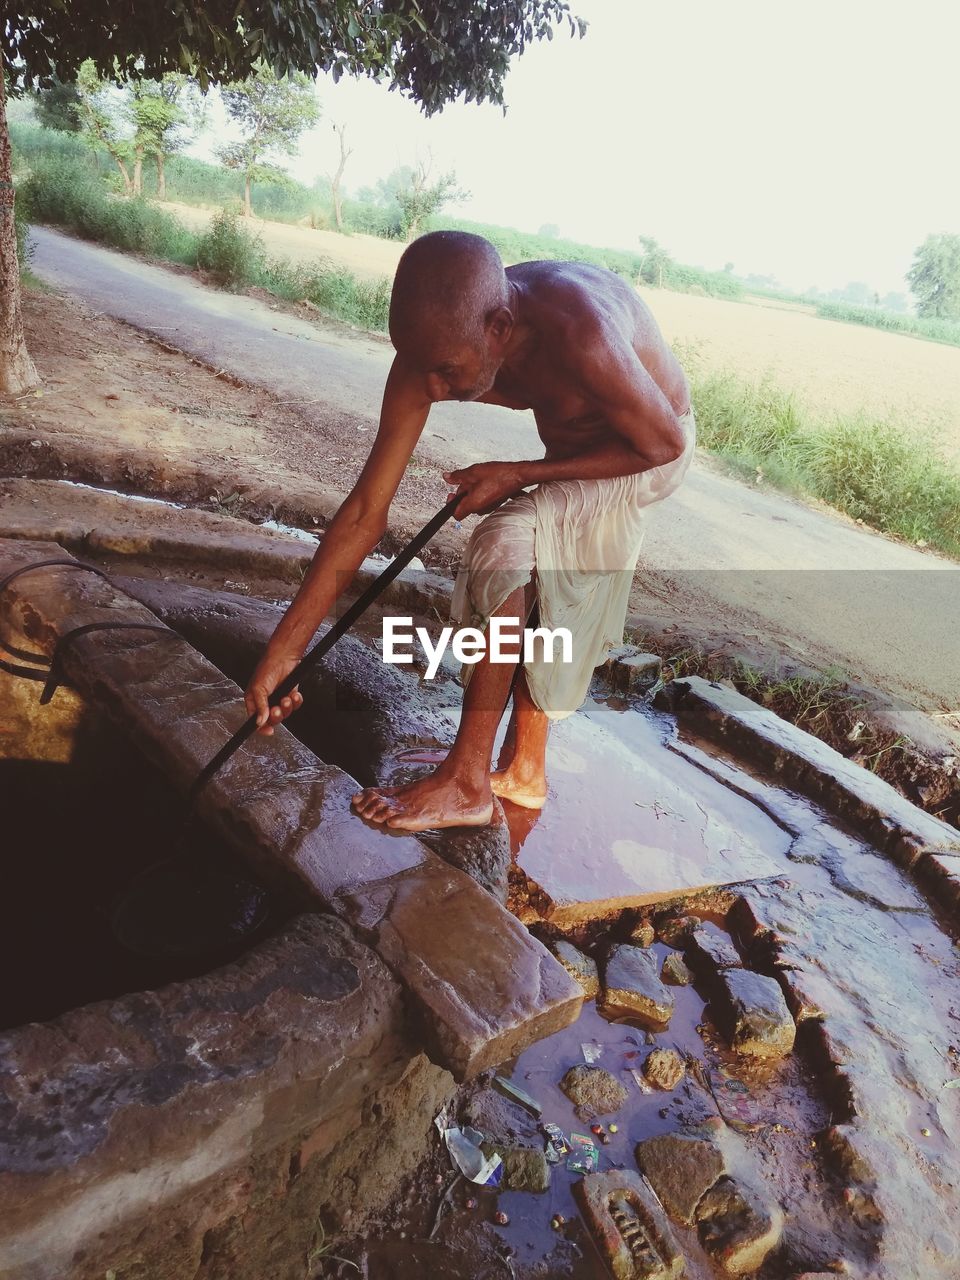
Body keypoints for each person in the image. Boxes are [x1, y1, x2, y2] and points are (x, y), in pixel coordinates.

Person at [245, 231, 694, 832]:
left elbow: (662, 444)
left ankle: (466, 782)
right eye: (421, 367)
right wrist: (286, 649)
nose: (431, 389)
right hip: (590, 447)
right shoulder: (438, 343)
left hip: (647, 450)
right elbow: (363, 513)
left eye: (447, 371)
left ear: (501, 328)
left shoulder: (580, 332)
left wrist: (520, 474)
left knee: (504, 544)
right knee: (546, 555)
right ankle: (524, 771)